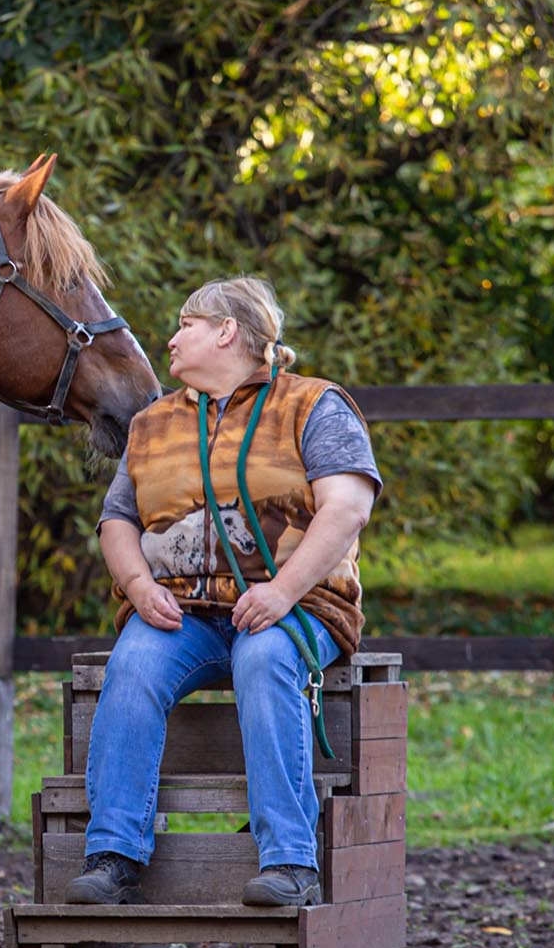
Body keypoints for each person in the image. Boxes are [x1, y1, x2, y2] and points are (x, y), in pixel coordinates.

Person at [66, 276, 380, 907]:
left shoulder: (314, 405)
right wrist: (136, 584)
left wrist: (282, 593)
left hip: (299, 605)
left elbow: (347, 508)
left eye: (187, 323)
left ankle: (291, 864)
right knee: (131, 665)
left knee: (264, 659)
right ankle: (114, 857)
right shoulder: (153, 424)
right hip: (183, 610)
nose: (172, 338)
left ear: (227, 331)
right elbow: (117, 522)